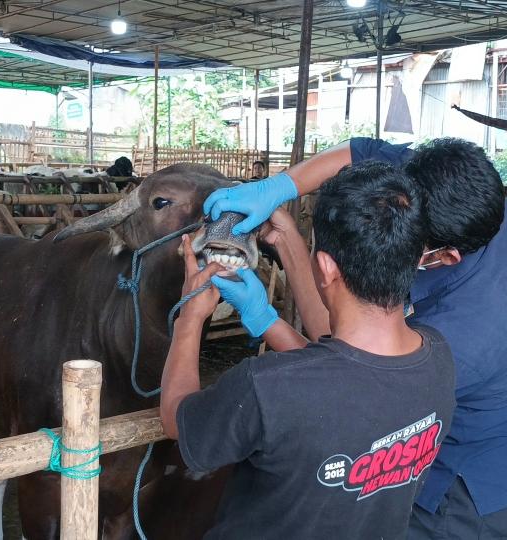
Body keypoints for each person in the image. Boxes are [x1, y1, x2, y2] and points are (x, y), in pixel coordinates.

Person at [202, 138, 507, 539]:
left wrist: (265, 319)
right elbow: (362, 151)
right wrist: (279, 188)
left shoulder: (465, 336)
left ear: (446, 254)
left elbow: (349, 374)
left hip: (459, 496)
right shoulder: (471, 196)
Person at [160, 162, 456, 539]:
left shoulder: (264, 386)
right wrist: (266, 319)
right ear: (415, 260)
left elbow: (176, 419)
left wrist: (190, 318)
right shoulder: (438, 358)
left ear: (326, 267)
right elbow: (346, 381)